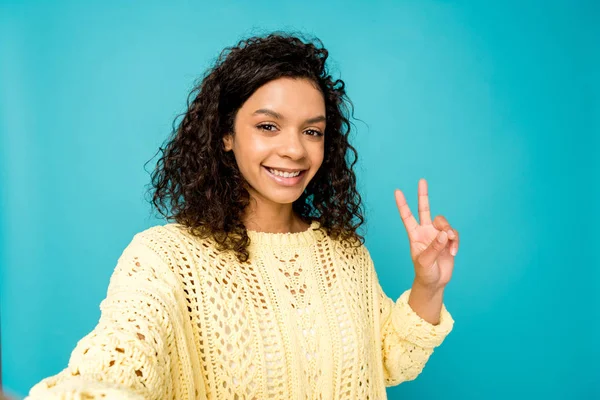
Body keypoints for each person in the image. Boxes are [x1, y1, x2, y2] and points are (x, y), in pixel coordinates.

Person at [27, 32, 459, 400]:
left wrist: (428, 285)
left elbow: (389, 361)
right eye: (268, 126)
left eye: (312, 131)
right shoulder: (166, 260)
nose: (294, 149)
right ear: (227, 135)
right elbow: (112, 370)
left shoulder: (345, 254)